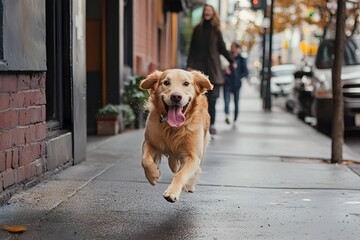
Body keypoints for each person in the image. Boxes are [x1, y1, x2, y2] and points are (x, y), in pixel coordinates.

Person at [186, 4, 235, 135]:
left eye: (210, 10)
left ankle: (211, 124)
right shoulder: (197, 29)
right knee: (198, 98)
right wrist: (189, 65)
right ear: (204, 13)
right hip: (199, 68)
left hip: (213, 69)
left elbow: (222, 49)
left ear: (213, 14)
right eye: (206, 10)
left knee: (212, 100)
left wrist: (232, 61)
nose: (207, 12)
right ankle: (197, 123)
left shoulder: (216, 31)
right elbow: (192, 49)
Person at [223, 42, 248, 126]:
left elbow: (245, 72)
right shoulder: (227, 57)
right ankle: (227, 115)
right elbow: (222, 67)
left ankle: (235, 118)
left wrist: (238, 76)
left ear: (237, 48)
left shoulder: (241, 59)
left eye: (233, 47)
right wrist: (225, 71)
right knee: (226, 100)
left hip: (236, 84)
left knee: (236, 102)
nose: (232, 49)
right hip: (227, 82)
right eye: (231, 47)